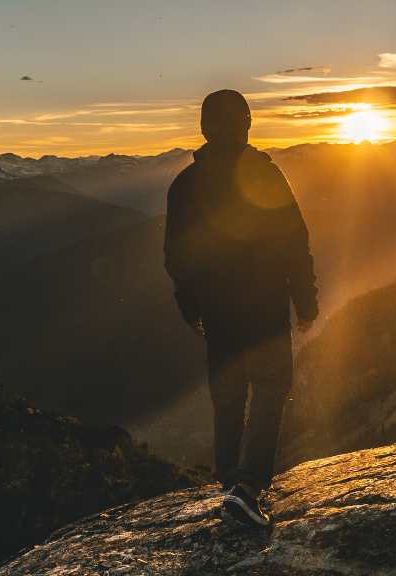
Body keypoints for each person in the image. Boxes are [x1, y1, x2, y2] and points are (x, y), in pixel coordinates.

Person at [164, 89, 318, 528]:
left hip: (217, 314)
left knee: (228, 398)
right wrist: (305, 302)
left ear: (204, 128)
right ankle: (247, 489)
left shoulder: (185, 186)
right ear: (247, 123)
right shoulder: (265, 176)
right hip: (265, 310)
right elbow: (295, 243)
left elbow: (176, 257)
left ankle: (227, 482)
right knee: (270, 390)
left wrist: (189, 305)